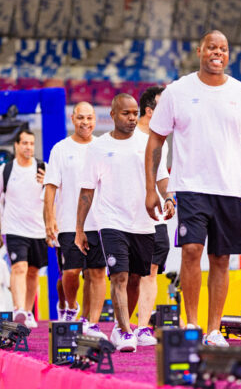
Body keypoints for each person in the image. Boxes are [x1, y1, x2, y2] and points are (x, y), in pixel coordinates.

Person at [144, 30, 241, 347]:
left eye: (223, 48)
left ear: (228, 54)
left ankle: (213, 330)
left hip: (230, 189)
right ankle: (192, 325)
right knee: (191, 250)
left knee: (220, 258)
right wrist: (151, 189)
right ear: (199, 51)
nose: (218, 52)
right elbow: (155, 140)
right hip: (190, 187)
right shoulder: (177, 91)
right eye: (212, 47)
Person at [75, 94, 173, 352]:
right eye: (125, 113)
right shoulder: (97, 147)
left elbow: (162, 177)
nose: (131, 118)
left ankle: (122, 325)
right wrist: (79, 229)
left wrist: (169, 197)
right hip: (111, 221)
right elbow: (87, 190)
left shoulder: (150, 143)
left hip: (144, 222)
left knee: (135, 278)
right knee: (119, 275)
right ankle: (126, 331)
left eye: (134, 113)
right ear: (112, 115)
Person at [44, 102, 107, 339]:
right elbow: (50, 187)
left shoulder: (103, 147)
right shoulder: (60, 149)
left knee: (97, 273)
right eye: (81, 118)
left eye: (89, 118)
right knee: (71, 272)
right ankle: (72, 306)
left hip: (98, 222)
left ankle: (91, 323)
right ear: (72, 119)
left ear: (95, 119)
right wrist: (49, 219)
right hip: (69, 223)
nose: (85, 123)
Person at [0, 129, 47, 329]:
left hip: (38, 229)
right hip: (14, 229)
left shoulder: (43, 168)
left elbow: (53, 197)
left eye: (32, 143)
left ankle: (27, 311)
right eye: (25, 143)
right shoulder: (5, 170)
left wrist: (46, 183)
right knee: (19, 267)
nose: (29, 147)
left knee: (33, 272)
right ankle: (18, 308)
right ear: (16, 145)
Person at [126, 85, 173, 346]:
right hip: (126, 216)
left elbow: (162, 175)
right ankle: (123, 326)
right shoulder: (126, 137)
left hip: (154, 216)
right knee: (131, 276)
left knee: (152, 271)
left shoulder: (161, 141)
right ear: (149, 110)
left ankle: (142, 327)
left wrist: (169, 197)